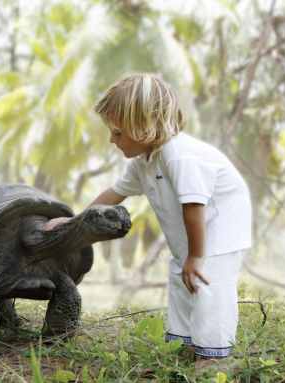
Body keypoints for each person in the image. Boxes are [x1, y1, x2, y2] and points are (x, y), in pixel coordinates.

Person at [46, 73, 252, 367]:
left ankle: (214, 357)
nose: (111, 140)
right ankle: (186, 344)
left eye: (118, 133)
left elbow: (195, 206)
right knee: (182, 279)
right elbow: (113, 194)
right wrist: (71, 223)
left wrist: (196, 256)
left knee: (209, 285)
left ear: (144, 126)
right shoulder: (144, 162)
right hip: (193, 238)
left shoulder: (179, 155)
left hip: (220, 230)